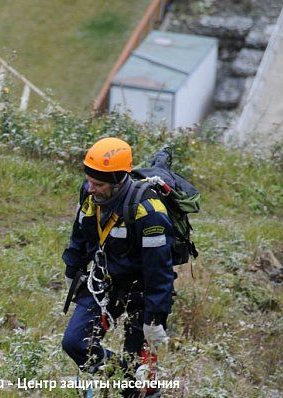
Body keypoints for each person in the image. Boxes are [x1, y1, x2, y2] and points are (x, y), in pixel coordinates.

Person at [61, 137, 174, 398]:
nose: (91, 188)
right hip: (103, 284)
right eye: (89, 180)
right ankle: (131, 381)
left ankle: (138, 387)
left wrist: (155, 319)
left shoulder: (148, 211)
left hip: (140, 294)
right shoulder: (90, 194)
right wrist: (71, 272)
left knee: (137, 368)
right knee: (75, 343)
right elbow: (79, 236)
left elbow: (160, 271)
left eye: (98, 184)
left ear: (119, 180)